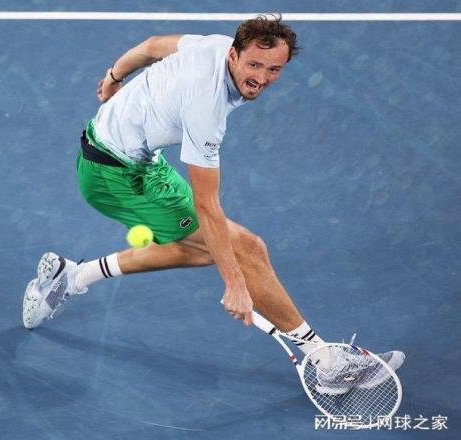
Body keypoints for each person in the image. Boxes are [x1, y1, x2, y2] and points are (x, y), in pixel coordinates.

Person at [22, 15, 404, 391]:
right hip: (112, 177)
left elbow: (152, 46)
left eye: (274, 69)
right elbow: (208, 206)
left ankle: (73, 277)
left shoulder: (215, 45)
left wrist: (113, 76)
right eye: (254, 65)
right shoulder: (207, 108)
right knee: (246, 249)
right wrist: (234, 282)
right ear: (234, 55)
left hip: (133, 155)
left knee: (205, 250)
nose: (262, 78)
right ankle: (325, 361)